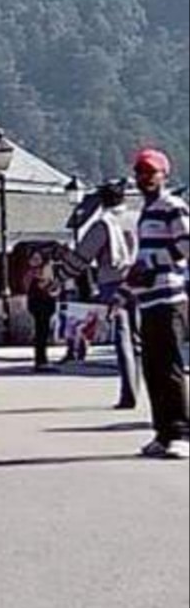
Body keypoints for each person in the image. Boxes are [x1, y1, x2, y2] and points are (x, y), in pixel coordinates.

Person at [127, 149, 189, 460]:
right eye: (140, 172)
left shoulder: (172, 207)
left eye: (151, 172)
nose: (145, 178)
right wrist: (126, 288)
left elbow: (186, 246)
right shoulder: (146, 212)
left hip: (169, 298)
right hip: (148, 300)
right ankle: (162, 433)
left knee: (170, 367)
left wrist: (153, 263)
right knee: (152, 369)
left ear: (165, 175)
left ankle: (181, 433)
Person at [62, 179, 140, 407]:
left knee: (122, 336)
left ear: (102, 200)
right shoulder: (137, 218)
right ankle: (137, 386)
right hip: (141, 281)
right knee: (138, 338)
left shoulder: (103, 224)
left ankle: (128, 392)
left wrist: (61, 275)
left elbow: (83, 256)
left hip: (112, 281)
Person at [24, 250, 60, 372]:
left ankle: (42, 359)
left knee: (44, 332)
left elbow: (53, 287)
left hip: (47, 304)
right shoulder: (31, 273)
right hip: (37, 304)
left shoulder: (47, 269)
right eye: (33, 258)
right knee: (40, 333)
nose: (35, 261)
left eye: (37, 258)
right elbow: (28, 286)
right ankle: (40, 360)